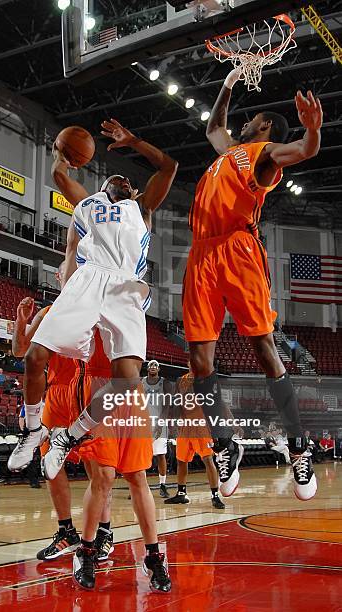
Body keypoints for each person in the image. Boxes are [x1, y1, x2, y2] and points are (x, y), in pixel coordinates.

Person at [10, 120, 177, 592]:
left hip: (124, 291)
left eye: (126, 179)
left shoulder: (141, 209)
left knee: (128, 389)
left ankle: (68, 438)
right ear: (100, 183)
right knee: (36, 356)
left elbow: (168, 165)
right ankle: (33, 433)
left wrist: (133, 142)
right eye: (114, 176)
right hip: (90, 283)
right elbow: (60, 175)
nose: (120, 179)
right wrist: (61, 151)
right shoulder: (87, 206)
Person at [182, 67, 322, 501]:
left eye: (252, 119)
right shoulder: (227, 151)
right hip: (201, 253)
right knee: (199, 360)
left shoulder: (262, 153)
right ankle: (226, 445)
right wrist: (226, 84)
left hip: (238, 250)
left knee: (263, 348)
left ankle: (299, 445)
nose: (243, 124)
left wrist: (313, 129)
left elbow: (302, 149)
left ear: (263, 125)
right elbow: (213, 126)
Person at [11, 264, 114, 563]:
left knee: (99, 469)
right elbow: (20, 350)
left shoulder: (100, 308)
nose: (70, 274)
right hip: (57, 394)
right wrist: (21, 323)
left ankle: (103, 533)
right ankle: (66, 531)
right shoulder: (48, 312)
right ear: (59, 278)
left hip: (90, 390)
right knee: (50, 467)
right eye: (64, 271)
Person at [165, 362, 225, 509]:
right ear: (188, 362)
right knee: (181, 460)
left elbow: (217, 403)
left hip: (201, 425)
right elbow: (179, 402)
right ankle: (181, 493)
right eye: (191, 360)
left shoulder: (206, 379)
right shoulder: (182, 380)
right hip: (185, 426)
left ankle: (215, 495)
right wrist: (173, 421)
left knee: (208, 459)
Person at [142, 360, 173, 498]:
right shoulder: (141, 382)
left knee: (161, 455)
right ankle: (140, 485)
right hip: (144, 422)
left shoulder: (164, 383)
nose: (153, 367)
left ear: (159, 369)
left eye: (155, 365)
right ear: (147, 368)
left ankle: (162, 485)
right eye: (151, 365)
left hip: (159, 422)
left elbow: (167, 405)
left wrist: (161, 423)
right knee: (141, 455)